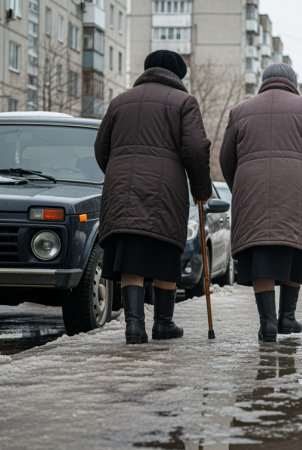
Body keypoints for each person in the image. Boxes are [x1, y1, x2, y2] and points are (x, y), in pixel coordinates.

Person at [95, 50, 212, 345]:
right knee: (164, 249)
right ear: (177, 75)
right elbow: (196, 149)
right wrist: (201, 190)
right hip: (165, 189)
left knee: (131, 254)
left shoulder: (120, 101)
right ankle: (163, 323)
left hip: (120, 190)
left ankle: (134, 326)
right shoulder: (184, 102)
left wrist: (119, 170)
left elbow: (101, 148)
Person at [220, 63, 302, 342]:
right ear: (292, 84)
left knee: (261, 251)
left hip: (252, 189)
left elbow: (226, 158)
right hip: (296, 189)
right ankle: (288, 316)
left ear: (264, 82)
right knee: (293, 245)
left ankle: (268, 323)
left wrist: (239, 185)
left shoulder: (240, 111)